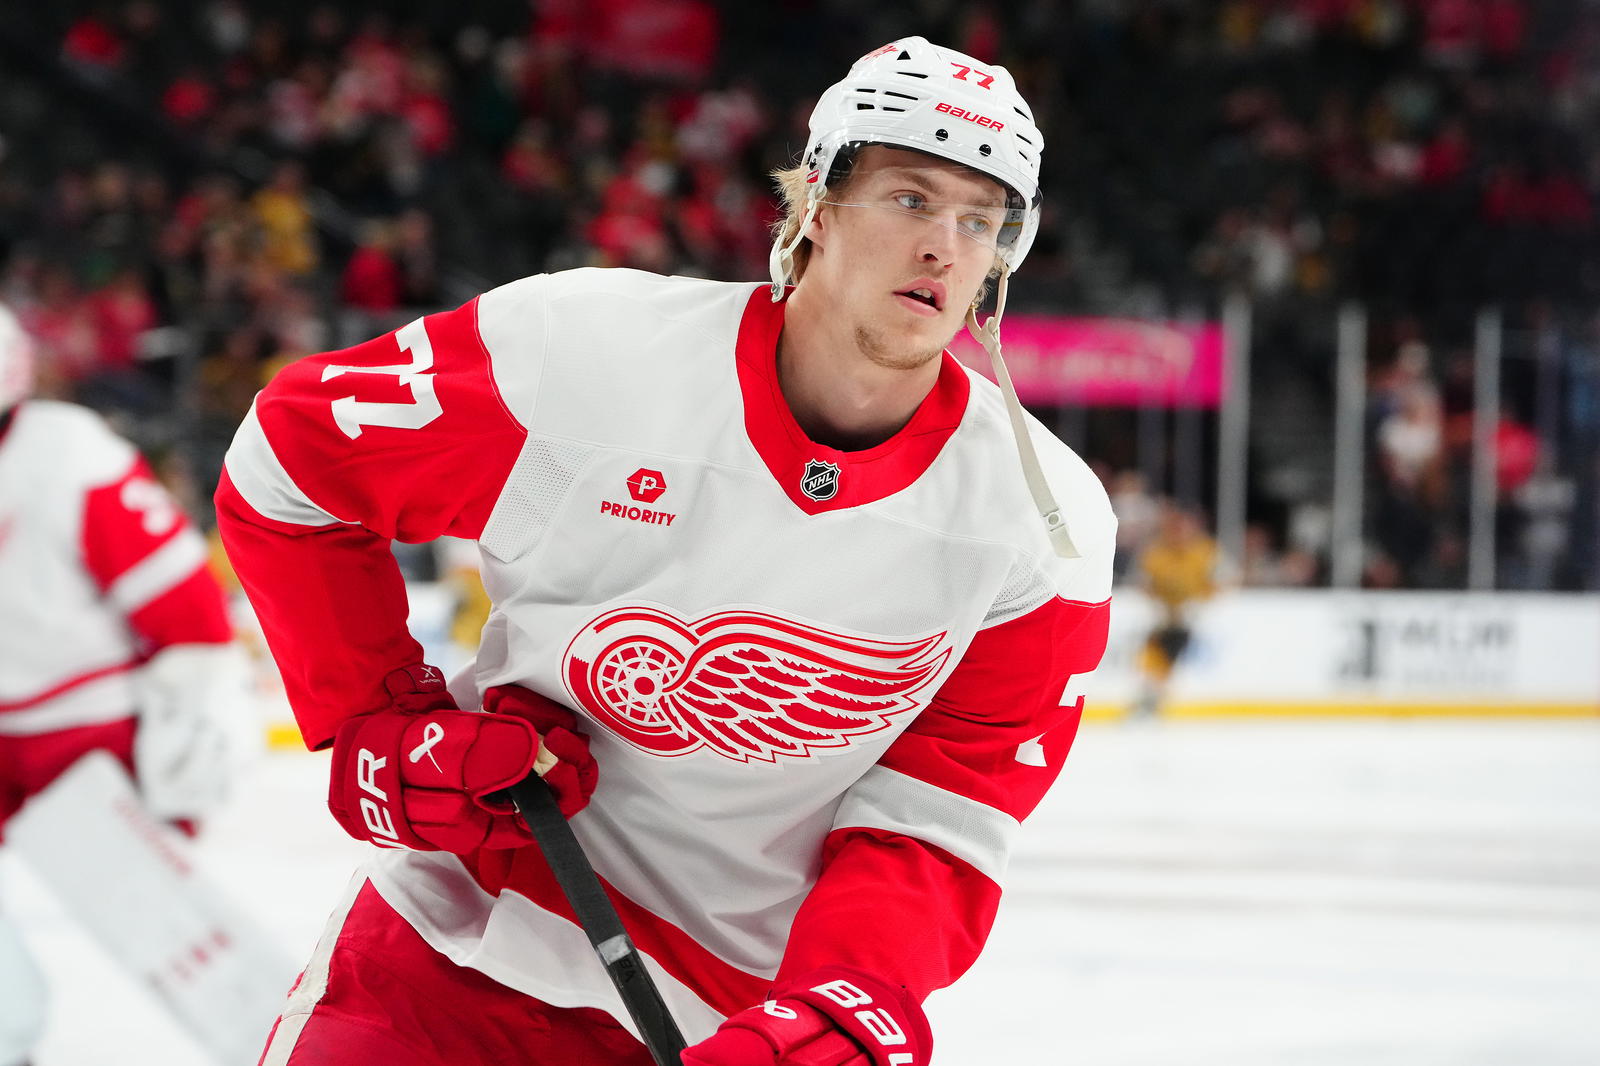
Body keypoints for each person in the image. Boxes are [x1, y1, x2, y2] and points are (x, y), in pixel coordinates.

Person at [218, 37, 1115, 1066]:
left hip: (738, 1027)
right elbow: (293, 455)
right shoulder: (582, 353)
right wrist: (373, 714)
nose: (945, 248)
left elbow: (937, 822)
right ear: (817, 201)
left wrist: (851, 996)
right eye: (910, 199)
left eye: (980, 219)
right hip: (452, 950)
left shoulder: (1044, 525)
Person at [0, 302, 245, 1066]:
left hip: (85, 738)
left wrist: (191, 724)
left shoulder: (67, 453)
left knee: (188, 951)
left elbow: (187, 608)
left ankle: (272, 1042)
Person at [1133, 501, 1221, 717]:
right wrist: (1158, 605)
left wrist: (1198, 604)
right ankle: (1151, 693)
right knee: (1154, 651)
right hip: (1163, 613)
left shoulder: (1206, 551)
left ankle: (1155, 694)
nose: (1179, 533)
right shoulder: (1156, 552)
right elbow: (1143, 582)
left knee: (1169, 649)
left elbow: (1221, 581)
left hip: (1190, 615)